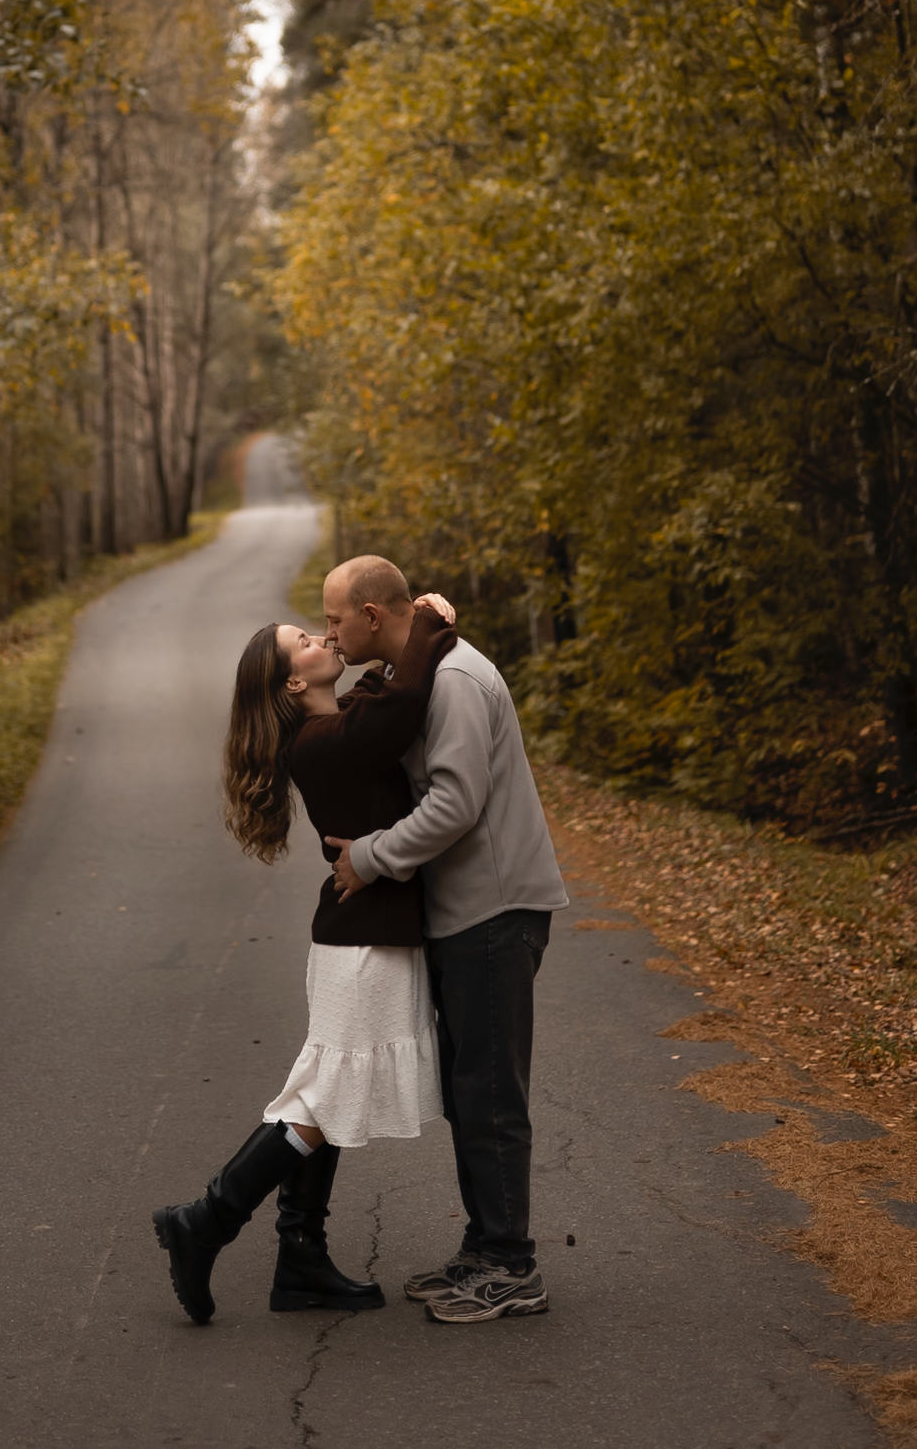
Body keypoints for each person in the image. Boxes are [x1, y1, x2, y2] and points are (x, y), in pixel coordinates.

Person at [152, 592, 456, 1327]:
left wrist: (408, 641)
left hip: (360, 934)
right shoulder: (319, 744)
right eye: (305, 640)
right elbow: (404, 702)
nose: (323, 636)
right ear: (294, 681)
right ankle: (209, 1219)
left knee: (325, 1094)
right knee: (327, 1102)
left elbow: (382, 699)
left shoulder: (335, 725)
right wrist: (428, 626)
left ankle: (300, 1258)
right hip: (363, 942)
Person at [323, 555, 567, 1326]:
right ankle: (486, 1246)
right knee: (471, 1093)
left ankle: (513, 1267)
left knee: (491, 1097)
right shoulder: (421, 673)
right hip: (467, 915)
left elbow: (457, 803)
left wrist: (369, 857)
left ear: (371, 614)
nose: (328, 634)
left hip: (494, 912)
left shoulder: (456, 680)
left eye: (334, 619)